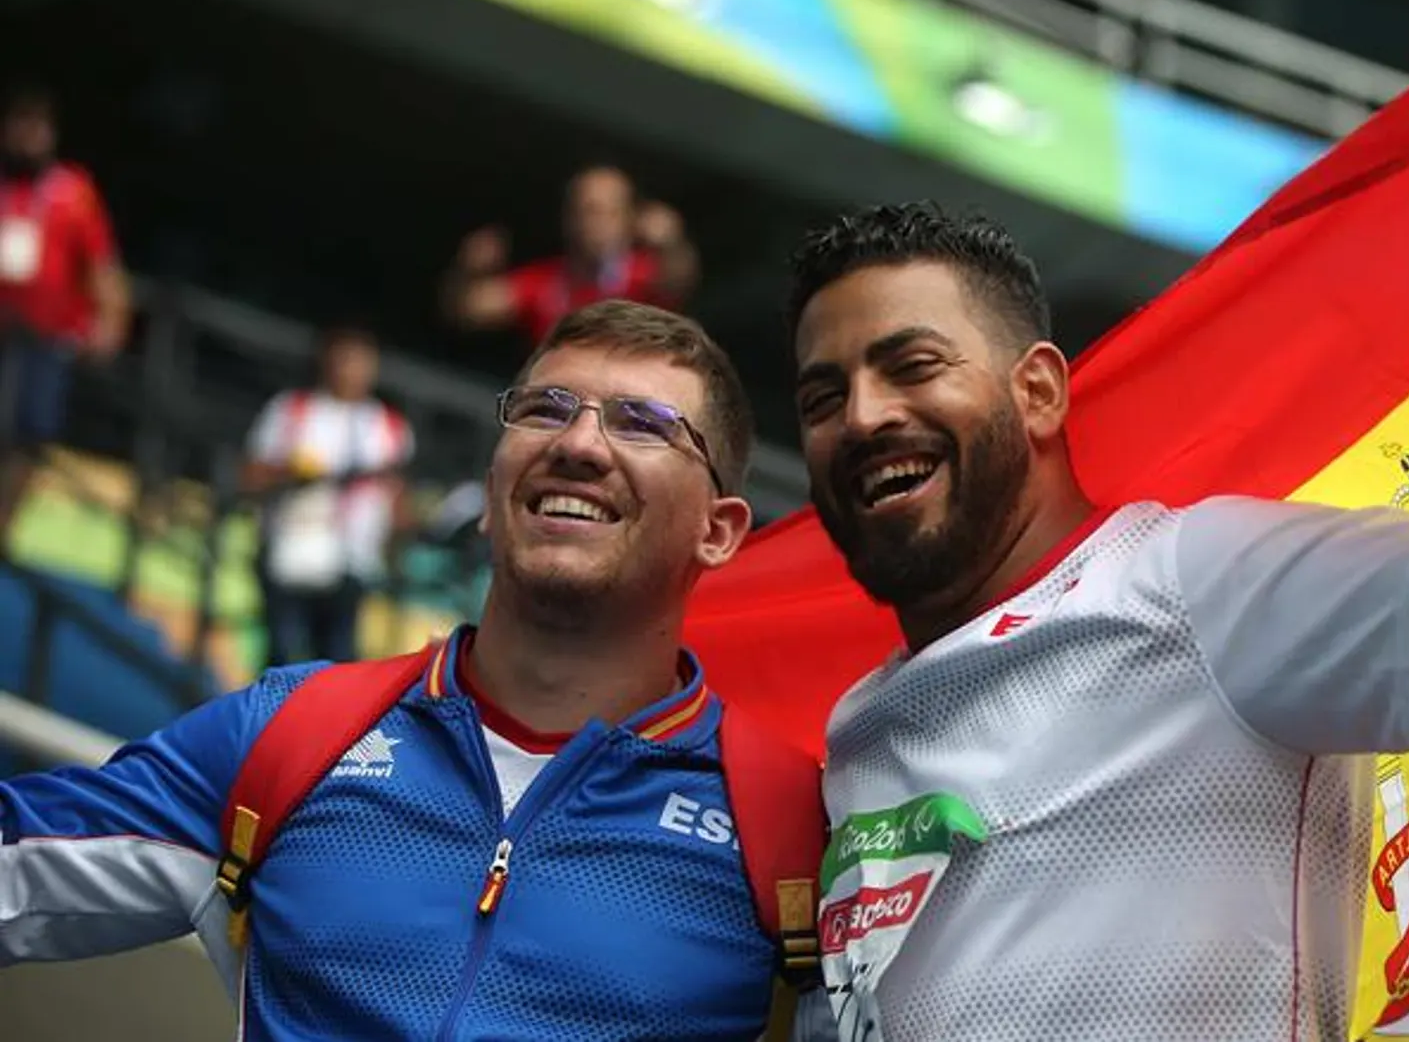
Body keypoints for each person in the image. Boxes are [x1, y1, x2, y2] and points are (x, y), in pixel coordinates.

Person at [786, 8, 1409, 1040]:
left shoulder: (1194, 585)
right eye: (823, 397)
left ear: (1040, 392)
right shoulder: (850, 740)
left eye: (913, 366)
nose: (865, 415)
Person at [1, 301, 832, 1041]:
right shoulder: (293, 730)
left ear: (719, 530)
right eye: (546, 408)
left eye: (642, 422)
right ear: (492, 479)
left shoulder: (794, 828)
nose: (579, 442)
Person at [0, 83, 129, 545]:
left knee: (29, 433)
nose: (27, 136)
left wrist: (111, 319)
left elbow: (101, 263)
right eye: (19, 125)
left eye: (37, 127)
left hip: (44, 335)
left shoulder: (72, 191)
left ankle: (4, 528)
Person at [243, 323, 413, 665]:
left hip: (354, 561)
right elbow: (251, 474)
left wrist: (398, 546)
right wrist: (292, 473)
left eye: (362, 361)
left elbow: (398, 497)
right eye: (345, 358)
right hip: (289, 553)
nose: (352, 369)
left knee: (337, 661)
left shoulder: (389, 426)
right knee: (283, 654)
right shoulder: (291, 410)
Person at [445, 165, 699, 345]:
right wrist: (469, 270)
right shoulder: (547, 280)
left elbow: (680, 279)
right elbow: (469, 310)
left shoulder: (645, 275)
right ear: (569, 219)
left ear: (630, 219)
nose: (597, 223)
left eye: (610, 211)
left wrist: (672, 243)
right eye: (588, 211)